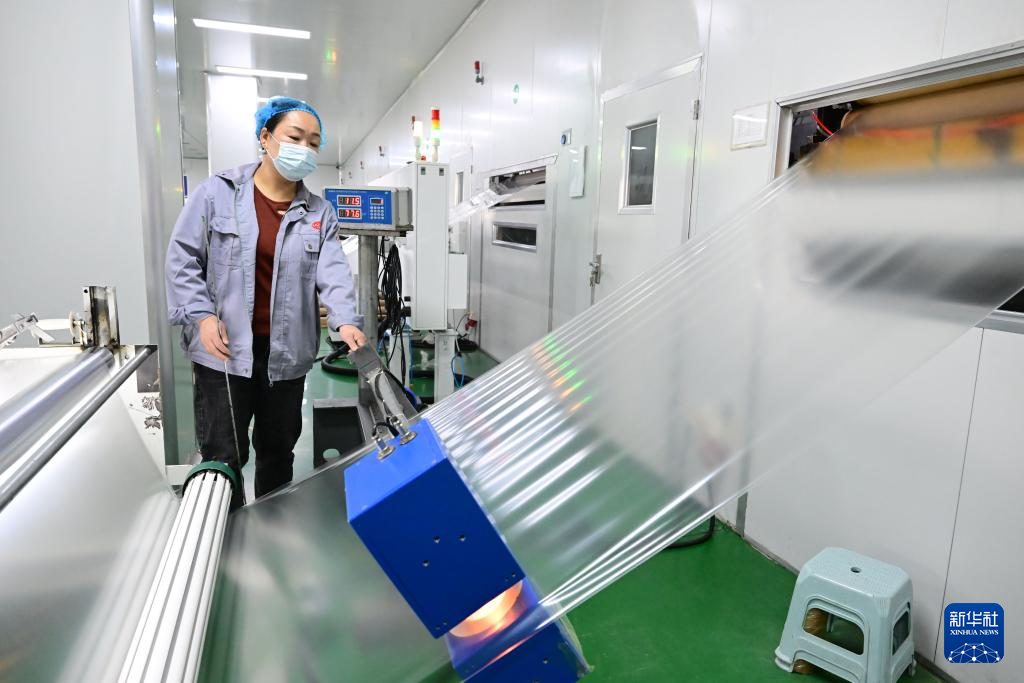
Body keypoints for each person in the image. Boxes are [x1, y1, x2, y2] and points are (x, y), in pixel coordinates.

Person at [166, 96, 366, 509]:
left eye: (314, 143)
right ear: (265, 137)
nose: (305, 149)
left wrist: (345, 321)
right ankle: (226, 530)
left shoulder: (319, 213)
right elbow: (182, 259)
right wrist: (202, 317)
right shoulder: (216, 194)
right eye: (295, 137)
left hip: (286, 356)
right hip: (224, 353)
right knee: (224, 456)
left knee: (277, 453)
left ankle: (272, 528)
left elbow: (333, 274)